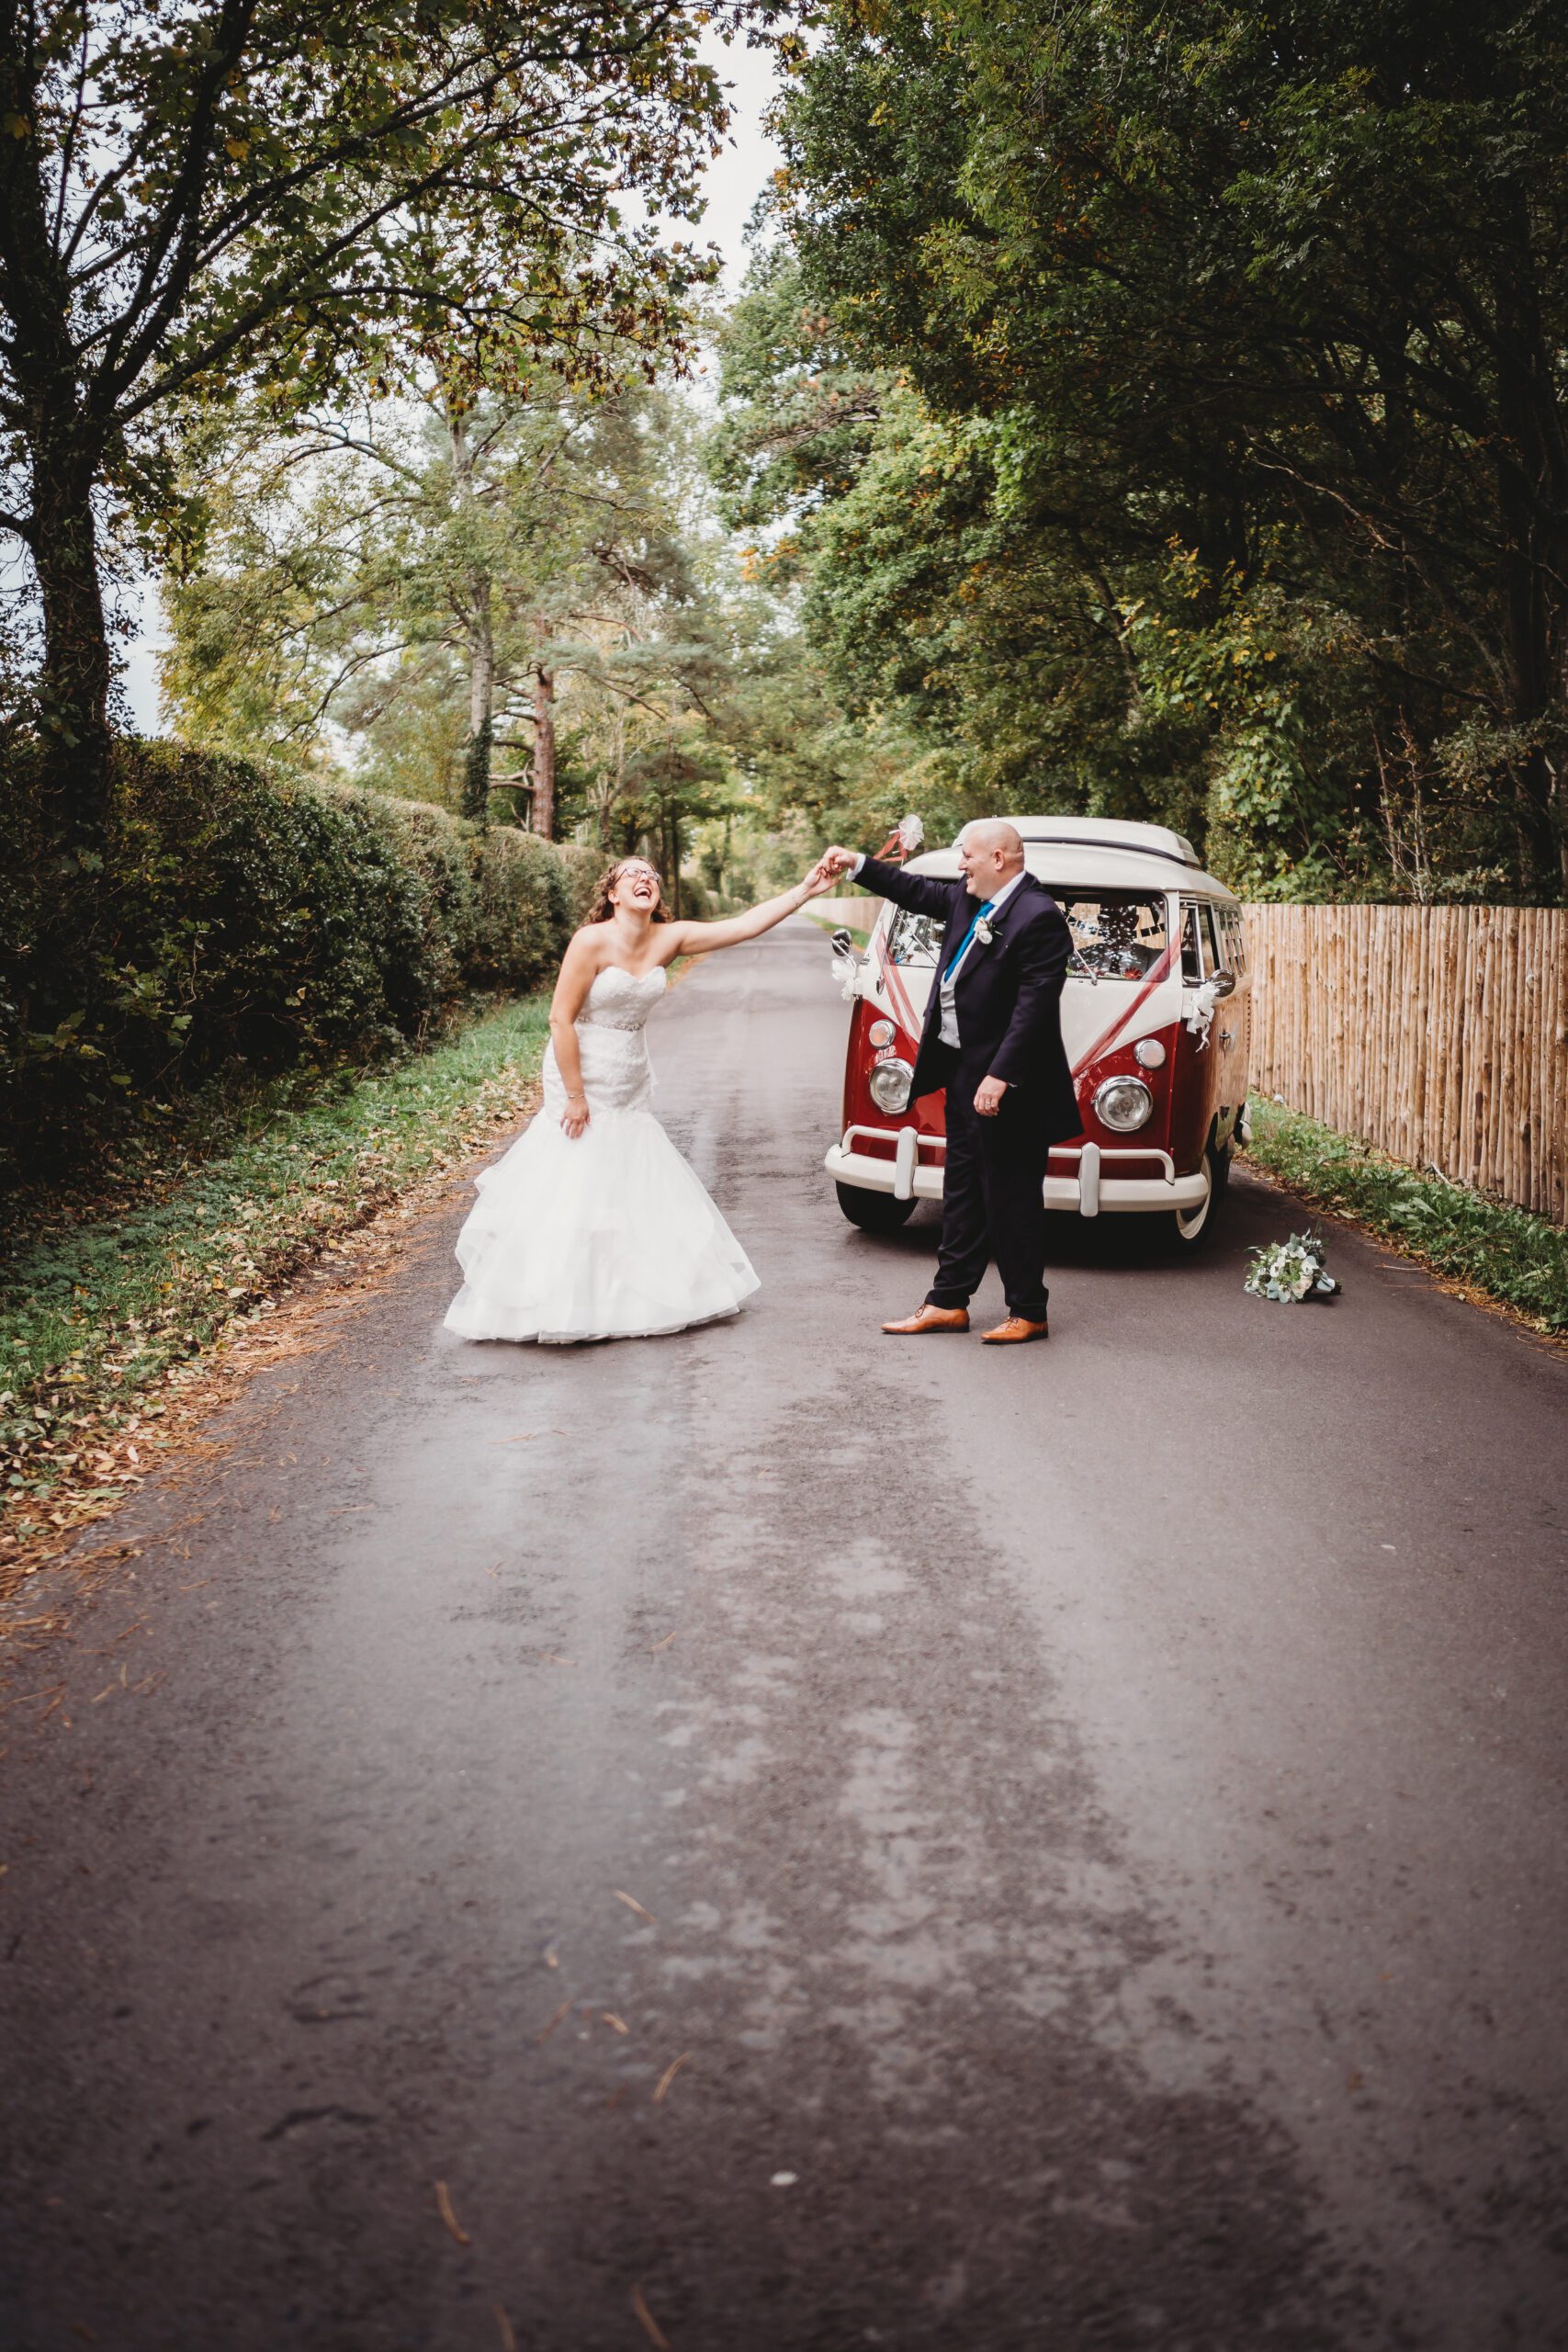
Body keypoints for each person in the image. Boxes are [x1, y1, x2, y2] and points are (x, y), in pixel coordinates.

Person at [445, 853, 839, 1345]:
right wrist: (574, 1095)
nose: (645, 878)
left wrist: (804, 891)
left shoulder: (668, 938)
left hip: (628, 1071)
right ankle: (561, 1296)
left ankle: (621, 1292)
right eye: (633, 873)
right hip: (580, 1065)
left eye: (652, 874)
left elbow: (743, 926)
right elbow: (560, 1019)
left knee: (626, 1169)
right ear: (612, 894)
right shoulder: (590, 941)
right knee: (576, 1171)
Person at [822, 821, 1079, 1343]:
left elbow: (1033, 1010)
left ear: (1000, 858)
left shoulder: (1039, 918)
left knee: (1010, 1197)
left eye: (967, 856)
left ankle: (1029, 1311)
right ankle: (948, 1302)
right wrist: (855, 862)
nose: (959, 865)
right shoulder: (969, 898)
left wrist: (1000, 1077)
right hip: (963, 1071)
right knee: (960, 1191)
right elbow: (915, 891)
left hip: (1011, 1086)